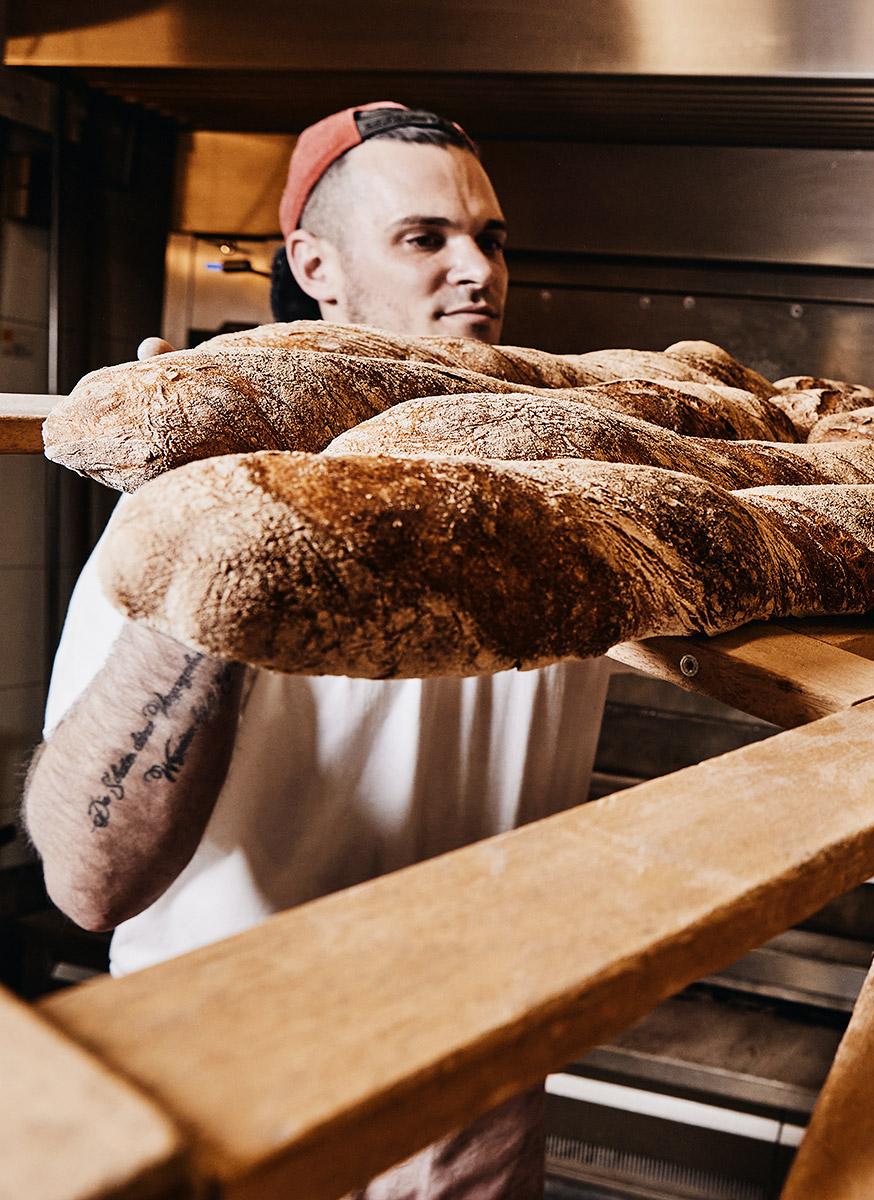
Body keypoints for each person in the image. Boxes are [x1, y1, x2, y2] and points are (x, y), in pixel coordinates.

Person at [24, 103, 612, 1199]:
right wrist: (231, 531)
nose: (476, 270)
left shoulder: (573, 485)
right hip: (229, 1099)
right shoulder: (197, 489)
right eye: (424, 238)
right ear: (316, 265)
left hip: (473, 1102)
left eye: (490, 238)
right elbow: (90, 883)